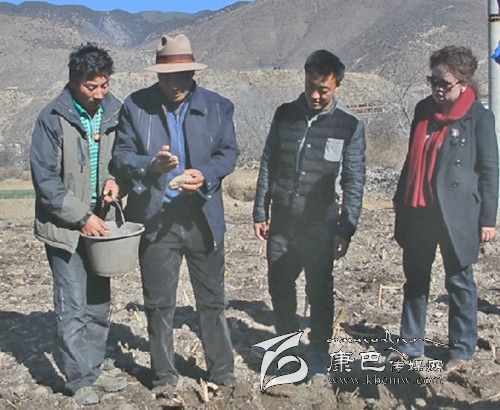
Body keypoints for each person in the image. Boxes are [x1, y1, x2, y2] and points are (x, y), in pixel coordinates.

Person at [112, 34, 239, 392]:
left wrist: (206, 174)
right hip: (156, 219)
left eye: (183, 75)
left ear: (193, 73)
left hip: (202, 218)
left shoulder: (218, 107)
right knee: (158, 304)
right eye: (168, 76)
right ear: (158, 75)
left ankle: (222, 372)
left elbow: (229, 153)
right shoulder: (135, 107)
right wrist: (151, 166)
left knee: (212, 301)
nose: (176, 83)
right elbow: (121, 156)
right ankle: (165, 377)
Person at [252, 49, 366, 375]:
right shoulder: (285, 115)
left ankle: (318, 351)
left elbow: (354, 180)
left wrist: (346, 228)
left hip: (320, 224)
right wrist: (260, 210)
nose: (315, 96)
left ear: (337, 86)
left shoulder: (349, 126)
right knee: (279, 285)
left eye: (323, 90)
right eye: (310, 87)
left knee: (319, 290)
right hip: (283, 220)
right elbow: (269, 162)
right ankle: (286, 346)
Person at [29, 43, 126, 405]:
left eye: (105, 84)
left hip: (101, 225)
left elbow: (124, 158)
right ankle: (79, 378)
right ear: (74, 82)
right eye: (91, 86)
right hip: (66, 227)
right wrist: (82, 217)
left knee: (98, 302)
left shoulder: (115, 112)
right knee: (72, 304)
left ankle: (95, 368)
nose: (100, 93)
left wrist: (117, 181)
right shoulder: (52, 118)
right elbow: (46, 181)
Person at [392, 46, 499, 371]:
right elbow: (411, 161)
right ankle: (410, 344)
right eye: (433, 80)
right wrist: (400, 201)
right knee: (415, 279)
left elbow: (490, 170)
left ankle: (461, 350)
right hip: (420, 209)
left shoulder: (479, 118)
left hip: (458, 214)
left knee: (459, 282)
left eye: (444, 83)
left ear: (463, 83)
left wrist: (488, 219)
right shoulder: (423, 110)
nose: (437, 88)